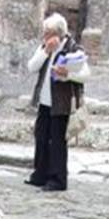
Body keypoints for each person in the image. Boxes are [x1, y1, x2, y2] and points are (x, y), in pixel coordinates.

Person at [25, 13, 90, 192]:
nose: (45, 37)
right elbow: (32, 67)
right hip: (44, 102)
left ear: (59, 34)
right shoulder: (45, 47)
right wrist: (45, 51)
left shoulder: (73, 49)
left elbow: (85, 75)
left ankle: (57, 179)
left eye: (48, 33)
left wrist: (67, 75)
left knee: (57, 142)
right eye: (44, 33)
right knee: (41, 137)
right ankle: (40, 174)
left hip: (60, 104)